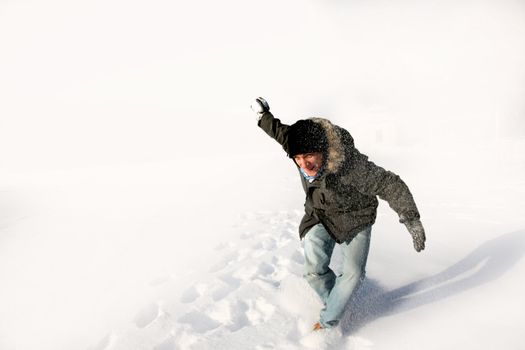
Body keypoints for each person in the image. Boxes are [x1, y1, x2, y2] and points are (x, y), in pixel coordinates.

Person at [250, 97, 426, 331]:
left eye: (309, 156)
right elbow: (279, 132)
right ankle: (338, 303)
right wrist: (263, 116)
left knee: (352, 274)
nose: (304, 164)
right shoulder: (298, 145)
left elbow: (390, 184)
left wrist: (411, 219)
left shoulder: (351, 167)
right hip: (320, 214)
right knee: (313, 272)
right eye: (298, 158)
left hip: (355, 217)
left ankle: (328, 323)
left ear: (322, 150)